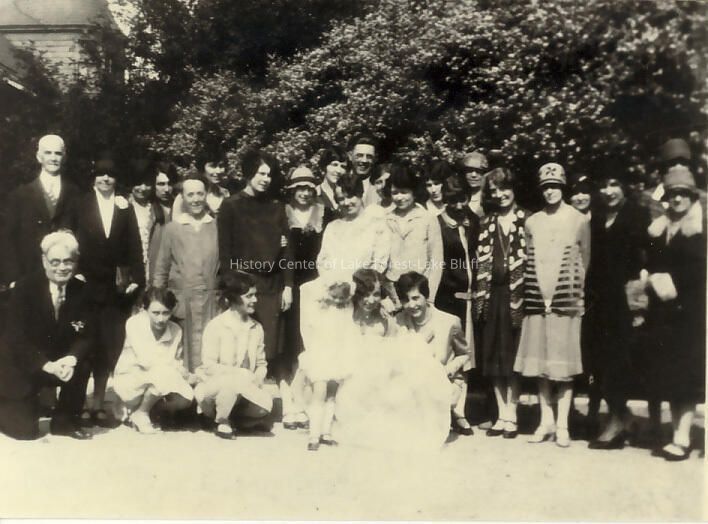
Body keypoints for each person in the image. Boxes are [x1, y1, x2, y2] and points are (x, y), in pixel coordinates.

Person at [514, 163, 590, 448]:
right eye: (546, 187)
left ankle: (562, 424)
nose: (550, 192)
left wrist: (575, 295)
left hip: (566, 300)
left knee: (563, 367)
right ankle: (545, 421)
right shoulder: (532, 222)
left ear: (563, 188)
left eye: (555, 186)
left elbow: (585, 260)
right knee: (541, 365)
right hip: (537, 300)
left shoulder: (578, 219)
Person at [334, 269, 452, 452]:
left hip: (378, 373)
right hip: (351, 372)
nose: (371, 300)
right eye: (365, 294)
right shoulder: (346, 315)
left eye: (375, 294)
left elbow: (393, 350)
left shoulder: (385, 318)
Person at [71, 155, 145, 428]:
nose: (105, 178)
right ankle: (80, 403)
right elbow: (70, 238)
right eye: (101, 174)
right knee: (84, 343)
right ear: (94, 178)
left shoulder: (124, 206)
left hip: (115, 288)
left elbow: (135, 244)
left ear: (116, 179)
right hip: (85, 285)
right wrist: (74, 272)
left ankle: (99, 403)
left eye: (110, 175)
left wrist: (138, 278)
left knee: (106, 345)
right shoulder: (80, 203)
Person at [0, 231, 93, 440]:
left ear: (76, 262)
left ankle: (64, 422)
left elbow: (87, 334)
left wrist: (71, 359)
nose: (62, 267)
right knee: (25, 432)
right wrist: (46, 364)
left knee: (83, 363)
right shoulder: (24, 289)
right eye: (55, 261)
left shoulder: (82, 290)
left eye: (68, 261)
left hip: (58, 361)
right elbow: (16, 339)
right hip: (23, 363)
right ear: (44, 261)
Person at [584, 174, 650, 449]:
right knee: (600, 360)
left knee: (618, 361)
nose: (608, 190)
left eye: (614, 184)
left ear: (624, 187)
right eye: (603, 185)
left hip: (625, 299)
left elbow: (646, 259)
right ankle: (621, 416)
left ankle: (616, 422)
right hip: (600, 301)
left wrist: (639, 299)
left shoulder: (637, 215)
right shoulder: (597, 218)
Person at [644, 165, 706, 461]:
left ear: (692, 196)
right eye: (672, 194)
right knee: (670, 373)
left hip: (691, 312)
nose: (677, 199)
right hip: (664, 312)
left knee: (688, 375)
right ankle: (676, 434)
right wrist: (651, 279)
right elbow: (651, 263)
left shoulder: (699, 229)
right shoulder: (660, 228)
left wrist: (669, 283)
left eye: (683, 194)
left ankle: (683, 436)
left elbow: (698, 271)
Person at [217, 149, 293, 380]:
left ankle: (268, 390)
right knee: (243, 342)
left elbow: (287, 250)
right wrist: (232, 288)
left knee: (270, 345)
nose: (266, 179)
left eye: (269, 175)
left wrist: (288, 286)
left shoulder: (277, 207)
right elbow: (225, 252)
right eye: (261, 173)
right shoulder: (231, 205)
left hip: (272, 285)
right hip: (244, 285)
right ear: (249, 173)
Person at [474, 168, 529, 438]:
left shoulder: (527, 219)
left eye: (504, 188)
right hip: (492, 295)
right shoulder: (486, 222)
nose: (500, 195)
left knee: (513, 355)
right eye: (494, 191)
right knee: (494, 354)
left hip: (517, 295)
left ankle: (513, 413)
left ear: (513, 188)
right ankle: (502, 412)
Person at [194, 271, 274, 440]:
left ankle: (234, 420)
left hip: (245, 387)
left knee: (266, 406)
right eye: (249, 296)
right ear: (233, 298)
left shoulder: (256, 328)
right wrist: (239, 373)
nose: (255, 300)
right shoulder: (216, 326)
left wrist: (257, 379)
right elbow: (209, 366)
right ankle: (222, 420)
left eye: (255, 295)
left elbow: (261, 364)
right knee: (230, 386)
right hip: (216, 387)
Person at [153, 175, 220, 373]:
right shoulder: (172, 229)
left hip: (211, 302)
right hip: (182, 302)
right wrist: (157, 300)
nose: (196, 199)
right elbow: (161, 269)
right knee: (182, 356)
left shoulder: (217, 226)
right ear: (182, 197)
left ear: (206, 195)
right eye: (190, 195)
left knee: (210, 352)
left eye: (200, 193)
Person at [395, 272, 474, 435]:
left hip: (443, 380)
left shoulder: (449, 321)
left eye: (415, 298)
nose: (411, 305)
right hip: (412, 382)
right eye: (405, 300)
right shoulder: (398, 321)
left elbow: (465, 354)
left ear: (426, 296)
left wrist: (448, 370)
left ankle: (454, 412)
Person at [1, 135, 79, 289]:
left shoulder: (75, 193)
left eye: (58, 153)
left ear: (64, 157)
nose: (53, 158)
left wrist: (78, 271)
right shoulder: (21, 195)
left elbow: (82, 234)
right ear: (39, 157)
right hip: (28, 275)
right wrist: (13, 278)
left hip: (64, 274)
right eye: (48, 153)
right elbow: (8, 238)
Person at [113, 287, 194, 434]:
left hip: (159, 378)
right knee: (165, 373)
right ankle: (142, 412)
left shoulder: (176, 330)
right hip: (131, 377)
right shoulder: (134, 323)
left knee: (186, 398)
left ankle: (145, 411)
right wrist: (175, 369)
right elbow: (146, 360)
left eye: (166, 313)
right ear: (145, 310)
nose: (161, 319)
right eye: (155, 313)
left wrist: (184, 373)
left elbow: (176, 360)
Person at [298, 274, 356, 450]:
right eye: (334, 296)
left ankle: (326, 432)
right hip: (320, 356)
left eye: (341, 298)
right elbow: (309, 331)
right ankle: (314, 434)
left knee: (332, 394)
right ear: (327, 293)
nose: (337, 301)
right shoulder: (318, 310)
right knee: (319, 392)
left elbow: (348, 334)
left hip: (337, 357)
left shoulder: (346, 312)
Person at [283, 167, 326, 380]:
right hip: (290, 277)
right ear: (293, 190)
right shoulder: (284, 213)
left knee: (315, 322)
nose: (304, 193)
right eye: (300, 188)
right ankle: (293, 370)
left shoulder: (323, 212)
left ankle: (316, 371)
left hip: (316, 276)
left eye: (308, 189)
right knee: (292, 323)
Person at [384, 165, 443, 304]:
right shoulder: (386, 219)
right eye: (395, 193)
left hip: (419, 290)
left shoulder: (428, 219)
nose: (399, 197)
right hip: (391, 291)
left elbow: (436, 261)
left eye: (404, 192)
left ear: (414, 192)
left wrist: (429, 298)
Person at [129, 165, 169, 282]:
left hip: (152, 271)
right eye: (138, 183)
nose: (143, 188)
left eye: (147, 184)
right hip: (129, 271)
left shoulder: (160, 212)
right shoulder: (122, 207)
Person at [173, 149, 231, 219]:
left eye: (221, 166)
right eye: (213, 166)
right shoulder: (187, 194)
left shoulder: (224, 193)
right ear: (202, 167)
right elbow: (175, 222)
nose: (218, 171)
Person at [317, 145, 348, 218]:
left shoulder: (347, 195)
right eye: (334, 165)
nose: (338, 171)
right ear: (325, 166)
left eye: (343, 166)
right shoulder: (316, 194)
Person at [457, 151, 488, 218]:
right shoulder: (458, 197)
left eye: (478, 171)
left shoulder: (490, 197)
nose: (473, 175)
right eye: (469, 170)